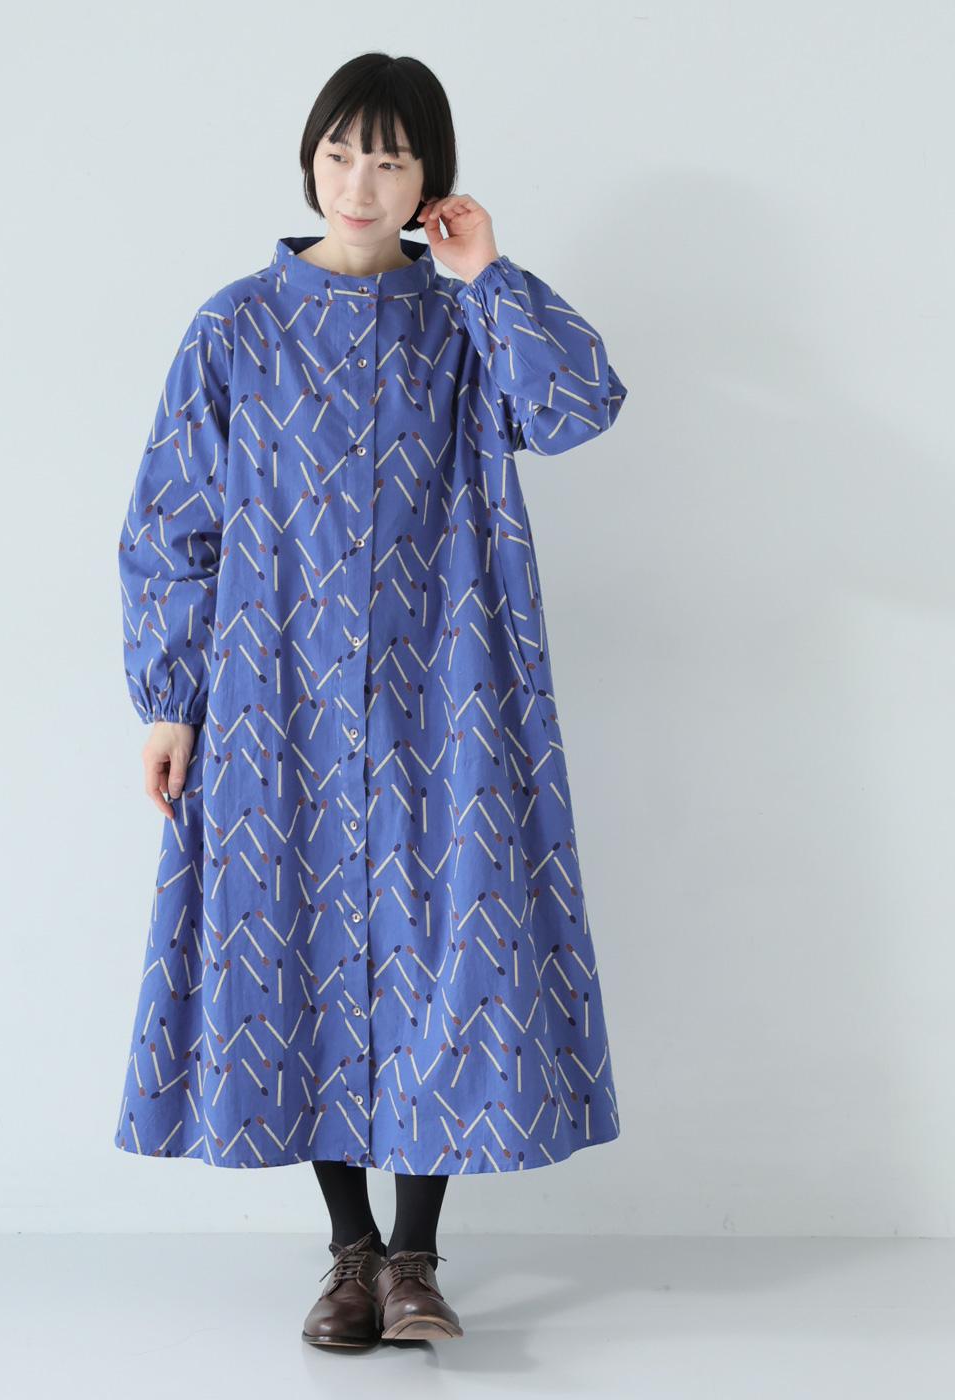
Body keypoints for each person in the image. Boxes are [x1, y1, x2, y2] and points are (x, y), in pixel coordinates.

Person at [112, 52, 628, 1349]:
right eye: (342, 152)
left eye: (392, 159)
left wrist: (488, 273)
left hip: (447, 693)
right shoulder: (236, 327)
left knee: (450, 950)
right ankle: (348, 1254)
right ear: (309, 159)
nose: (361, 180)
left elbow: (578, 407)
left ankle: (416, 1259)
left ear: (430, 178)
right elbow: (174, 519)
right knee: (295, 946)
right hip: (272, 698)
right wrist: (170, 700)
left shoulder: (464, 325)